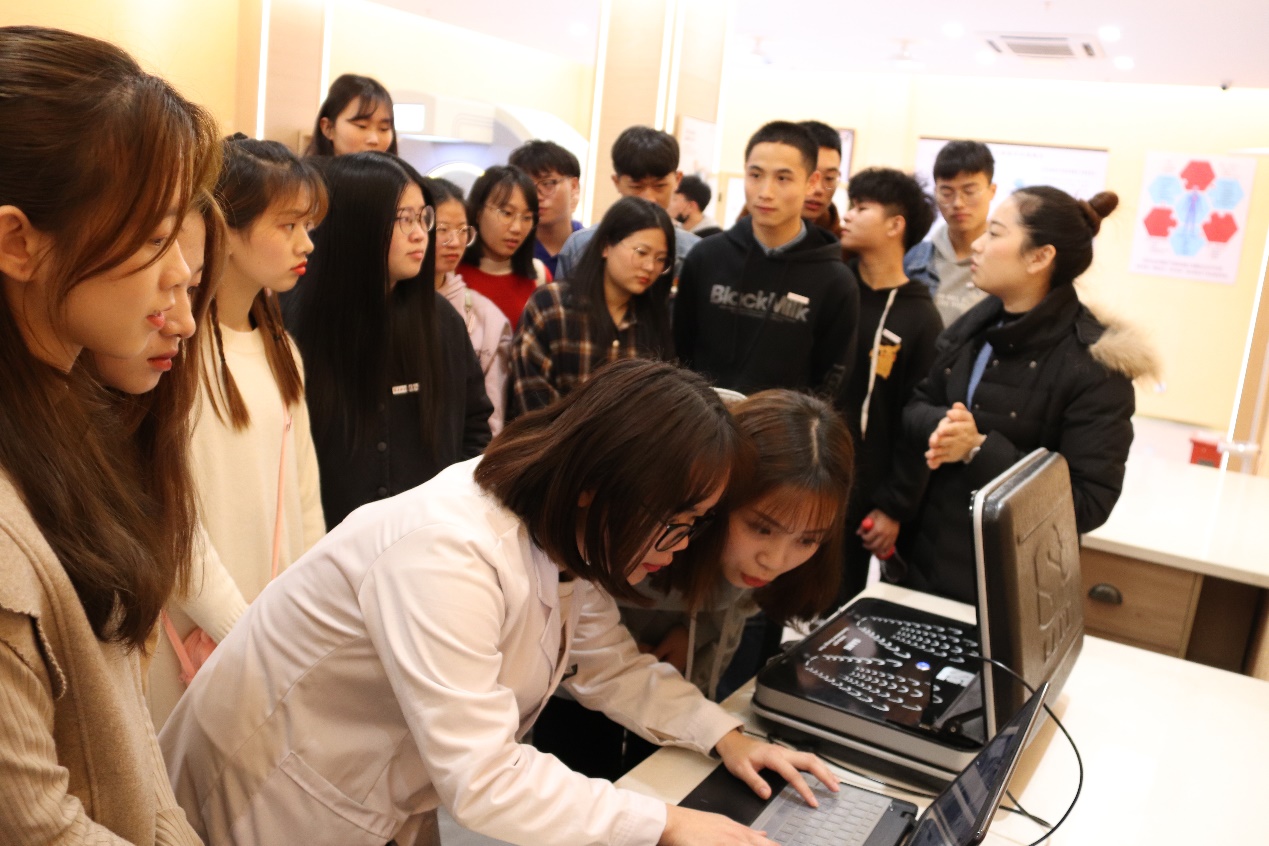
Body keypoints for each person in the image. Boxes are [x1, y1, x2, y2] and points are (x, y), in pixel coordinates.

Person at [160, 358, 837, 846]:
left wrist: (724, 736)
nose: (680, 545)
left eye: (694, 525)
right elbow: (483, 777)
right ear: (599, 484)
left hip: (368, 792)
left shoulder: (561, 541)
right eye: (675, 521)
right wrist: (664, 823)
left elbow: (610, 666)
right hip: (273, 793)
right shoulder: (447, 553)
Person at [0, 25, 217, 845]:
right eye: (153, 235)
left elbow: (127, 741)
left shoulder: (71, 425)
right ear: (19, 242)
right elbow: (37, 826)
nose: (178, 275)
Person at [536, 389, 854, 779]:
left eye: (808, 540)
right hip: (578, 677)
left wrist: (692, 633)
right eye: (761, 528)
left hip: (663, 680)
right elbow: (597, 654)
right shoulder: (656, 507)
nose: (775, 560)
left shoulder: (749, 550)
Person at [145, 137, 330, 727]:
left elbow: (304, 499)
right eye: (289, 224)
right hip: (191, 631)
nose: (306, 243)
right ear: (226, 227)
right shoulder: (169, 351)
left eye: (308, 225)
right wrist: (239, 628)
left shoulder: (282, 349)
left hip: (271, 631)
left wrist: (305, 619)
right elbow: (166, 512)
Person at [899, 187, 1157, 604]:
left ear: (1040, 257)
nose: (977, 245)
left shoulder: (1094, 366)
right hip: (927, 565)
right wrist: (943, 426)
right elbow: (916, 405)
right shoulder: (976, 329)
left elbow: (1088, 502)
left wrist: (978, 449)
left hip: (1011, 594)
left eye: (995, 234)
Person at [286, 152, 492, 529]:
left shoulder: (442, 321)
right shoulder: (296, 319)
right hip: (324, 540)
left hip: (424, 536)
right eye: (403, 219)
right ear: (358, 223)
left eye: (422, 217)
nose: (420, 234)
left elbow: (474, 426)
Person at [674, 120, 861, 401]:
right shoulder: (705, 257)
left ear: (811, 183)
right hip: (701, 420)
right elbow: (680, 349)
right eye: (755, 175)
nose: (765, 192)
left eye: (782, 178)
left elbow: (832, 379)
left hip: (783, 427)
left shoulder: (835, 280)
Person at [836, 168, 942, 603]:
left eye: (861, 208)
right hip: (807, 473)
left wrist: (895, 506)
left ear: (895, 225)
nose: (847, 215)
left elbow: (918, 421)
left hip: (866, 494)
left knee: (838, 608)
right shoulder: (834, 288)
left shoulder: (921, 318)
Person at [510, 196, 675, 416]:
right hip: (552, 436)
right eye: (641, 252)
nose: (650, 266)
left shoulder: (656, 320)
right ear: (605, 246)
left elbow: (659, 408)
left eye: (661, 259)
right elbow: (532, 400)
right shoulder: (552, 306)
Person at [555, 126, 700, 281]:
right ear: (616, 182)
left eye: (660, 186)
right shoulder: (581, 246)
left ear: (677, 180)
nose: (649, 198)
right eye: (637, 186)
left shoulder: (694, 252)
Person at [429, 176, 512, 433]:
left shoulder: (486, 315)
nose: (454, 242)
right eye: (442, 229)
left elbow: (491, 416)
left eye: (463, 230)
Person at [903, 140, 997, 326]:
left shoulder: (1005, 260)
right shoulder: (914, 259)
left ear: (991, 191)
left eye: (969, 191)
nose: (958, 203)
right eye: (947, 193)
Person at [458, 164, 548, 324]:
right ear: (478, 213)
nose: (517, 228)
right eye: (507, 213)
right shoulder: (452, 273)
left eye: (527, 218)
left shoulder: (539, 276)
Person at [508, 139, 583, 277]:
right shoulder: (510, 249)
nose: (537, 196)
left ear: (573, 186)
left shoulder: (592, 246)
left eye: (548, 184)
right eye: (527, 185)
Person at [304, 72, 398, 157]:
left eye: (384, 128)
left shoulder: (399, 171)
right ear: (328, 128)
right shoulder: (306, 171)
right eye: (362, 126)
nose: (374, 140)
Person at [797, 120, 844, 237]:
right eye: (810, 177)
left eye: (829, 178)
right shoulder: (751, 236)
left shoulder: (846, 244)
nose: (818, 189)